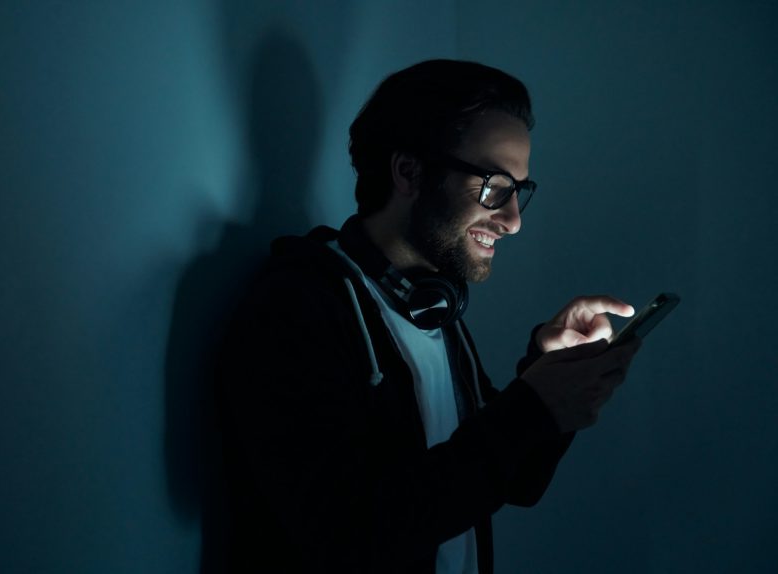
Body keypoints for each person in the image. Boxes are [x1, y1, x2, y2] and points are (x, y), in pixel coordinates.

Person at [215, 59, 641, 574]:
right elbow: (347, 535)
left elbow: (509, 480)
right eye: (494, 187)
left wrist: (548, 378)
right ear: (409, 171)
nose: (512, 221)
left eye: (519, 192)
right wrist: (533, 407)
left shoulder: (433, 306)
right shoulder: (298, 308)